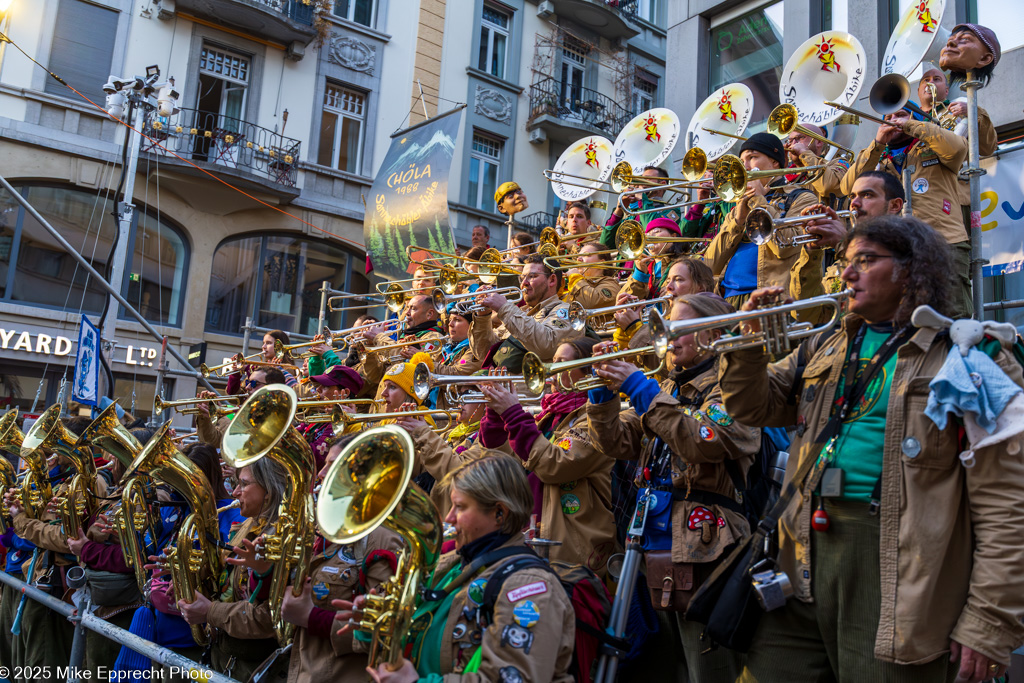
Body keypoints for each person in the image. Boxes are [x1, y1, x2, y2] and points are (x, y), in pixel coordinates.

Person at [720, 215, 1024, 681]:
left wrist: (988, 624)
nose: (846, 273)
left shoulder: (971, 356)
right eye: (846, 261)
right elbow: (751, 407)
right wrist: (750, 340)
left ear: (911, 269)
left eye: (865, 260)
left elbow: (1008, 504)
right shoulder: (825, 343)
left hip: (898, 568)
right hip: (800, 551)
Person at [588, 293, 761, 682]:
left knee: (707, 668)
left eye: (680, 328)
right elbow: (618, 443)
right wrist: (602, 397)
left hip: (707, 546)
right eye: (667, 328)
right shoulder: (668, 386)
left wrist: (639, 386)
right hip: (652, 541)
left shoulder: (732, 384)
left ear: (714, 333)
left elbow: (703, 439)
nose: (670, 337)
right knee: (660, 666)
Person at [343, 455, 576, 683]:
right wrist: (375, 624)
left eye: (460, 507)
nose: (448, 517)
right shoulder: (450, 563)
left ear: (499, 513)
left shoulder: (528, 586)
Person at [477, 338, 618, 577]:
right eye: (552, 362)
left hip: (572, 552)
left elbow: (555, 464)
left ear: (587, 373)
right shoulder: (547, 417)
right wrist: (495, 414)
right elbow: (508, 465)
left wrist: (513, 413)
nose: (549, 371)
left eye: (561, 363)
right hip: (532, 536)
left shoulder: (596, 419)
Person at [281, 435, 402, 683]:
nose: (321, 474)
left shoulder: (382, 538)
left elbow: (386, 631)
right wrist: (262, 571)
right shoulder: (326, 529)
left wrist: (311, 618)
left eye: (331, 466)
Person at [838, 102, 972, 317]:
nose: (894, 120)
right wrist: (877, 143)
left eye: (900, 114)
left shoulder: (933, 144)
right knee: (903, 318)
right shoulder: (876, 156)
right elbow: (847, 186)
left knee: (953, 317)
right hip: (894, 250)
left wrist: (910, 125)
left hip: (944, 242)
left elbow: (958, 149)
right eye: (888, 117)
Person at [177, 456, 291, 680]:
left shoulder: (278, 539)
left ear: (268, 490)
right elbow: (225, 580)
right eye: (237, 483)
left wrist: (209, 611)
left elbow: (268, 618)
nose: (235, 492)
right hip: (226, 653)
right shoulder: (248, 524)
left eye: (244, 484)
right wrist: (183, 572)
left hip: (255, 666)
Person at [705, 132, 819, 309]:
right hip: (728, 301)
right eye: (742, 161)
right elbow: (710, 265)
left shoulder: (801, 198)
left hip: (769, 299)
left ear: (775, 162)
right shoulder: (738, 206)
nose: (745, 167)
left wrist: (760, 202)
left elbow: (785, 247)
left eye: (752, 157)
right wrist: (738, 220)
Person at [470, 253, 582, 370]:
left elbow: (546, 346)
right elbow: (483, 353)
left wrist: (504, 307)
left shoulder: (567, 311)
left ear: (552, 280)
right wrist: (483, 316)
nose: (524, 283)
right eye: (522, 278)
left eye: (532, 276)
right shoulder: (520, 312)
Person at [195, 367, 287, 448]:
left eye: (254, 383)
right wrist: (204, 417)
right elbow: (212, 441)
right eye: (248, 382)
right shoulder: (245, 414)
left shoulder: (280, 417)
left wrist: (222, 417)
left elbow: (246, 440)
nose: (247, 387)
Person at [601, 166, 680, 249]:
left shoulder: (672, 212)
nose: (639, 183)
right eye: (640, 179)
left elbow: (653, 234)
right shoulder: (632, 214)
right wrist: (619, 210)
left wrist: (642, 199)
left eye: (646, 179)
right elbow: (605, 245)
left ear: (662, 184)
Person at [619, 216, 690, 301]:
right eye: (646, 235)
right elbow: (624, 302)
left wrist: (676, 293)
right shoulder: (647, 267)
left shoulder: (690, 262)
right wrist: (639, 274)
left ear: (673, 236)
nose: (648, 238)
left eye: (656, 231)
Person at [784, 123, 848, 202]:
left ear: (818, 142)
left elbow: (828, 188)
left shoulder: (837, 163)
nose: (793, 144)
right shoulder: (786, 174)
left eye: (800, 138)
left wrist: (804, 152)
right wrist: (779, 166)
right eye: (790, 140)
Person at [566, 241, 620, 330]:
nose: (578, 259)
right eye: (579, 256)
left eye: (586, 255)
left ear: (601, 263)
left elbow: (590, 303)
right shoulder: (577, 283)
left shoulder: (610, 283)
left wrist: (576, 278)